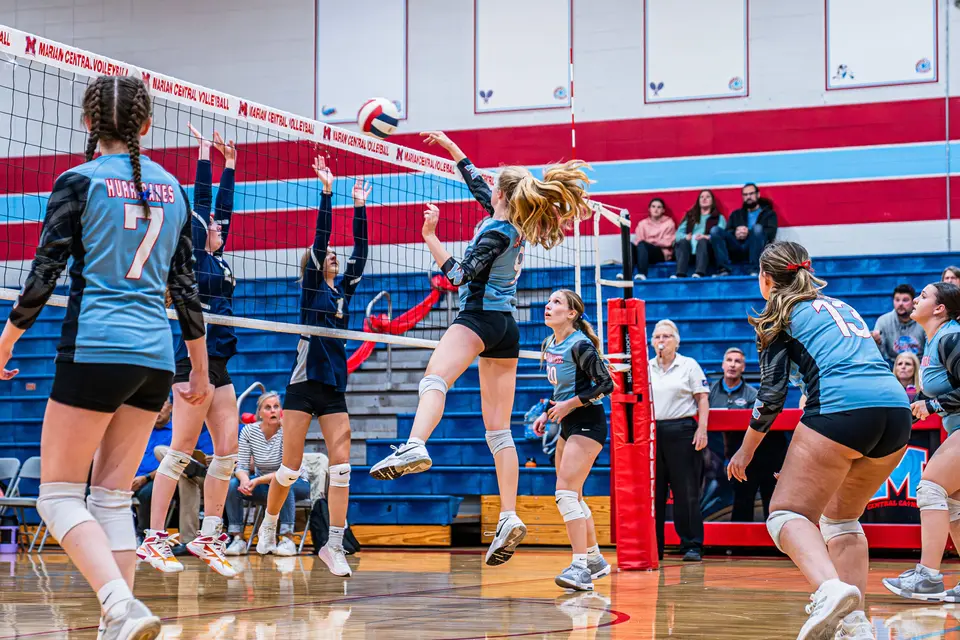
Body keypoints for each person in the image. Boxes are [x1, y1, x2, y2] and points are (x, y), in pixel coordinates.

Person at [0, 75, 209, 639]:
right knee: (112, 500)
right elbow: (186, 288)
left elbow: (44, 274)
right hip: (155, 358)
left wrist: (6, 340)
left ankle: (119, 604)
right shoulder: (175, 189)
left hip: (96, 348)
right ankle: (116, 624)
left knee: (57, 497)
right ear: (147, 125)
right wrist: (199, 369)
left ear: (89, 123)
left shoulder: (79, 181)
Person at [369, 131, 591, 568]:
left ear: (501, 195)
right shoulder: (512, 223)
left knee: (434, 379)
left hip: (478, 317)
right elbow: (477, 184)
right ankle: (508, 516)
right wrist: (453, 150)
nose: (487, 189)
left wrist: (430, 236)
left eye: (494, 186)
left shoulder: (494, 232)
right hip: (506, 327)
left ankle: (415, 444)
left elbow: (457, 276)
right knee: (498, 431)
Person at [727, 241, 911, 640]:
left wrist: (745, 450)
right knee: (841, 519)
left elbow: (770, 397)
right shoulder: (842, 306)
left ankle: (829, 589)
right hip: (896, 411)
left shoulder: (779, 315)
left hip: (842, 409)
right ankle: (855, 625)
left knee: (785, 514)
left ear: (766, 278)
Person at [254, 157, 369, 577]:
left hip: (333, 384)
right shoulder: (311, 288)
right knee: (289, 468)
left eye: (336, 257)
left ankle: (333, 544)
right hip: (303, 383)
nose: (334, 258)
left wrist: (359, 206)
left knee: (342, 467)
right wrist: (326, 193)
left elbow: (362, 251)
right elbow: (321, 241)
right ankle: (269, 524)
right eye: (328, 256)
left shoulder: (344, 291)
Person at [137, 123, 239, 578]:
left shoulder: (219, 258)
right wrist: (202, 156)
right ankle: (154, 537)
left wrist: (230, 165)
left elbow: (222, 210)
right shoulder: (195, 255)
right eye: (210, 224)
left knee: (228, 451)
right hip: (191, 359)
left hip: (220, 362)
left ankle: (209, 535)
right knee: (180, 450)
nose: (216, 224)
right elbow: (203, 206)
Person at [882, 283, 960, 603]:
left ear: (940, 309)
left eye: (924, 296)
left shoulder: (952, 337)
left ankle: (928, 577)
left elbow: (938, 399)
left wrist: (933, 405)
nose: (916, 300)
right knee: (953, 501)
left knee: (930, 488)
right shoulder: (933, 340)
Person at [531, 290, 614, 591]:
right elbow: (562, 388)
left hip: (588, 423)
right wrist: (547, 412)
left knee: (565, 494)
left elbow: (607, 385)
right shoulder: (550, 344)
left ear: (571, 313)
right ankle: (594, 560)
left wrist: (569, 405)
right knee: (573, 496)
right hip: (567, 423)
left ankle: (580, 568)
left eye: (556, 302)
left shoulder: (581, 345)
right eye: (548, 301)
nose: (548, 305)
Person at [649, 319, 709, 562]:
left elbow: (702, 398)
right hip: (653, 433)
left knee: (686, 491)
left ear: (677, 341)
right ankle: (654, 546)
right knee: (655, 492)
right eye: (657, 337)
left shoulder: (688, 365)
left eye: (666, 336)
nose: (661, 341)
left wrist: (702, 429)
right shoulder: (647, 367)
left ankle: (692, 544)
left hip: (682, 430)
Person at [225, 392, 310, 555]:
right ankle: (237, 539)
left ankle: (287, 539)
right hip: (264, 484)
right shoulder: (249, 431)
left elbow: (288, 470)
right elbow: (241, 465)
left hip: (297, 482)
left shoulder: (288, 431)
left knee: (285, 482)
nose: (273, 410)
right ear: (259, 413)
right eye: (268, 407)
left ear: (281, 411)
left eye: (276, 407)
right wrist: (244, 480)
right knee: (233, 485)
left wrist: (256, 481)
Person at [709, 348, 788, 522]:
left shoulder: (753, 395)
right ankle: (735, 539)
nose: (732, 365)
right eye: (729, 360)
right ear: (722, 365)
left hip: (751, 455)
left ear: (743, 367)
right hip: (719, 455)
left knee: (764, 496)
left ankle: (773, 535)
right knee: (741, 501)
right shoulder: (709, 393)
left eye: (737, 361)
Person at [711, 183, 778, 276]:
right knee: (715, 230)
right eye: (745, 195)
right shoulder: (736, 214)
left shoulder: (769, 214)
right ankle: (723, 270)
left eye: (751, 194)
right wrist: (736, 233)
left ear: (758, 195)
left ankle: (755, 270)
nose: (748, 197)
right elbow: (727, 232)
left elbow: (771, 234)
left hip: (756, 247)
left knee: (757, 228)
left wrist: (749, 233)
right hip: (736, 245)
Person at [132, 400, 174, 542]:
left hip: (157, 479)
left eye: (162, 405)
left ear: (170, 408)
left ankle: (142, 535)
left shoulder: (176, 433)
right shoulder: (142, 430)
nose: (158, 410)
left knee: (148, 493)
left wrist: (146, 478)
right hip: (132, 477)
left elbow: (172, 465)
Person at [672, 190, 724, 278]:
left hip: (707, 252)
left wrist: (706, 237)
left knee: (702, 241)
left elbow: (721, 236)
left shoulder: (719, 218)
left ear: (712, 201)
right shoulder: (690, 217)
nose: (704, 199)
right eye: (701, 197)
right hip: (689, 251)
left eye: (707, 197)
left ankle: (699, 273)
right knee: (683, 242)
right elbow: (678, 234)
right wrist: (686, 236)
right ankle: (680, 274)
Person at [872, 284, 926, 363]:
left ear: (913, 302)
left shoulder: (924, 321)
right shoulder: (883, 321)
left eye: (905, 300)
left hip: (919, 364)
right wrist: (877, 343)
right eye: (897, 300)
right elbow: (878, 356)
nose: (900, 304)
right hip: (893, 365)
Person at [625, 198, 675, 281]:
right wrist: (652, 242)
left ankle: (642, 274)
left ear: (663, 210)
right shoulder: (642, 223)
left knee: (643, 244)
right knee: (630, 245)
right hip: (643, 251)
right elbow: (639, 240)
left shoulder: (669, 223)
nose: (656, 209)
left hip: (660, 253)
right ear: (649, 209)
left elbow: (668, 242)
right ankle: (626, 274)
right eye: (653, 206)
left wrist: (650, 242)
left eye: (659, 207)